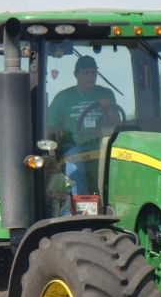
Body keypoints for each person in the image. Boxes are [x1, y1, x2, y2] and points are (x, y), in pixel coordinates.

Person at [47, 55, 120, 196]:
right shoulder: (63, 97)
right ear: (76, 75)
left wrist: (107, 111)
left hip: (103, 146)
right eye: (86, 73)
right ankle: (80, 205)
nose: (90, 76)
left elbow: (116, 123)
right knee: (73, 167)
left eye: (94, 72)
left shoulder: (106, 93)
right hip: (75, 147)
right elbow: (50, 127)